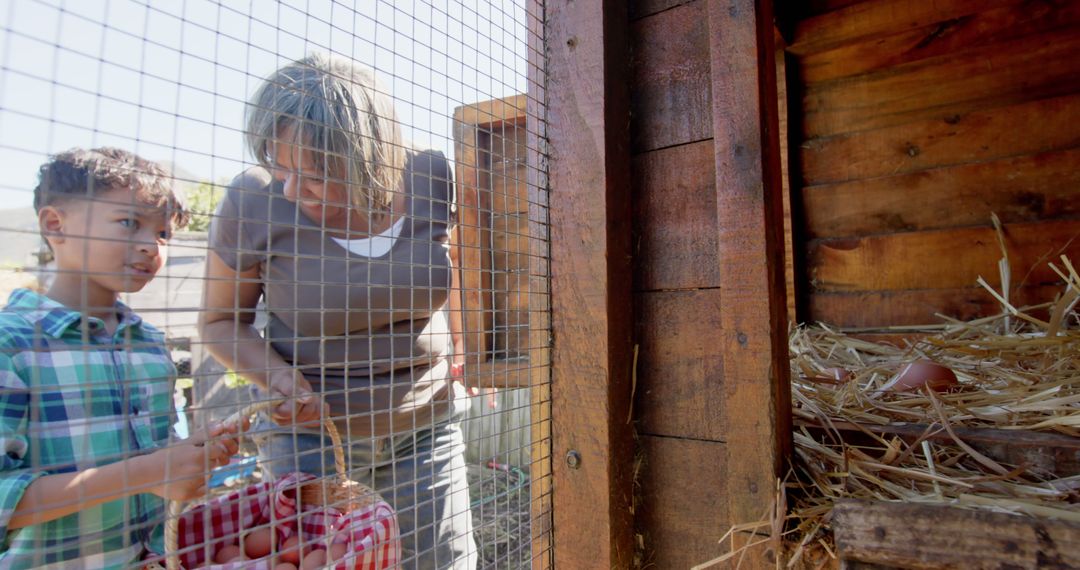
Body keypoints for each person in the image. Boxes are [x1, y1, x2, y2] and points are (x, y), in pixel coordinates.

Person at [199, 53, 477, 569]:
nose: (288, 189)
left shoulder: (431, 176)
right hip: (311, 441)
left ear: (368, 157)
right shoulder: (252, 199)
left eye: (312, 175)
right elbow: (218, 322)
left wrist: (469, 348)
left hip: (424, 427)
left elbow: (459, 267)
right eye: (278, 167)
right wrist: (279, 379)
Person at [0, 148, 243, 569]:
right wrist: (149, 472)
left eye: (164, 234)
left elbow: (155, 459)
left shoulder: (149, 344)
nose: (152, 246)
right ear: (55, 225)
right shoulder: (13, 344)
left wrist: (191, 452)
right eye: (129, 223)